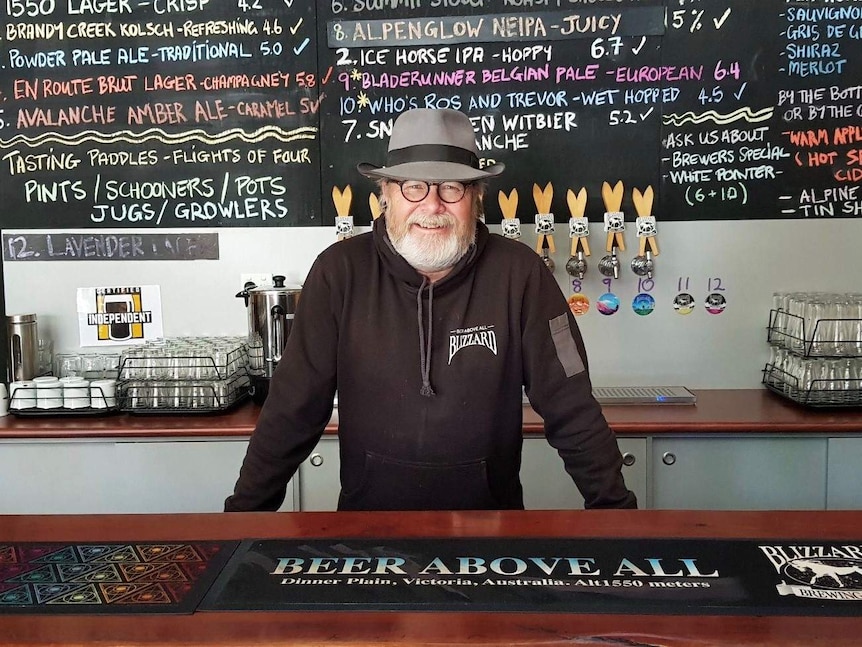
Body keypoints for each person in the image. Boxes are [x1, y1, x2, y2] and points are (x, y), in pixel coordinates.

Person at [225, 108, 636, 512]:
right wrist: (241, 520)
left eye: (452, 187)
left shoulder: (522, 274)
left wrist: (616, 513)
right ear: (385, 195)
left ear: (475, 198)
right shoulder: (339, 272)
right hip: (367, 535)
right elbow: (292, 409)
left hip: (491, 532)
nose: (433, 204)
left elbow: (571, 405)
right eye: (414, 186)